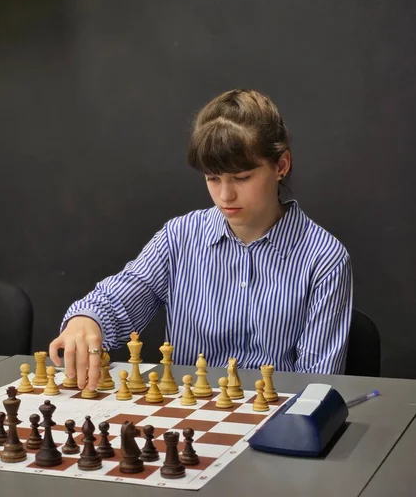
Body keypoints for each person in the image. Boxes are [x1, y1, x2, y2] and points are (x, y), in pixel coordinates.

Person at [49, 89, 353, 391]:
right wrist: (87, 320)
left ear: (281, 166)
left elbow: (316, 385)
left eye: (242, 177)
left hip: (275, 424)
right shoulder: (179, 237)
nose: (225, 195)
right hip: (186, 421)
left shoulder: (324, 258)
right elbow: (124, 295)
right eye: (212, 178)